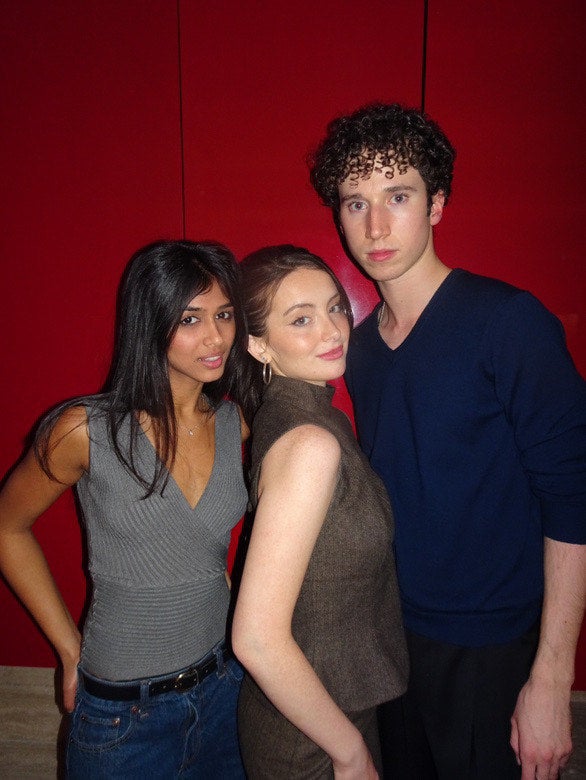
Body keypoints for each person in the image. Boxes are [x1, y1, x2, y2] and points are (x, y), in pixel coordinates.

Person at [308, 102, 586, 779]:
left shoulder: (508, 323)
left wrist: (552, 678)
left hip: (493, 647)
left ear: (437, 204)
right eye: (356, 203)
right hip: (394, 636)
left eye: (398, 196)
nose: (375, 226)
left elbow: (573, 498)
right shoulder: (361, 350)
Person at [0, 240, 249, 778]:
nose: (216, 337)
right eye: (190, 319)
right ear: (150, 322)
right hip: (124, 716)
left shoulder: (236, 424)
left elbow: (206, 551)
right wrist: (68, 648)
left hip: (225, 689)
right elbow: (7, 528)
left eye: (225, 314)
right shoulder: (84, 430)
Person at [231, 245, 408, 779]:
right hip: (311, 738)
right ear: (258, 344)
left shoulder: (309, 416)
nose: (332, 331)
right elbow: (256, 638)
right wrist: (350, 752)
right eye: (301, 319)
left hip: (326, 712)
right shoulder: (310, 443)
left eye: (335, 308)